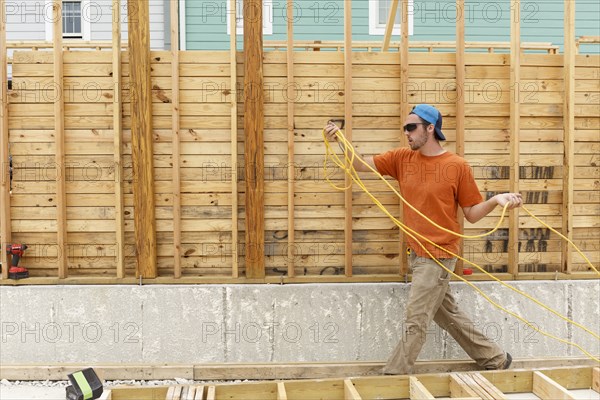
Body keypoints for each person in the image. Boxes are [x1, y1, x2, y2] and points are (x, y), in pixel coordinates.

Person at [324, 104, 522, 375]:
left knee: (416, 319)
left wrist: (496, 201)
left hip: (439, 255)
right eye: (405, 127)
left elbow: (472, 214)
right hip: (416, 253)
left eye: (411, 127)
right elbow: (358, 165)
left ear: (430, 128)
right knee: (447, 314)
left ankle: (394, 375)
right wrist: (340, 141)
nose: (406, 132)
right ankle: (495, 359)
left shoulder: (456, 166)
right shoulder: (401, 158)